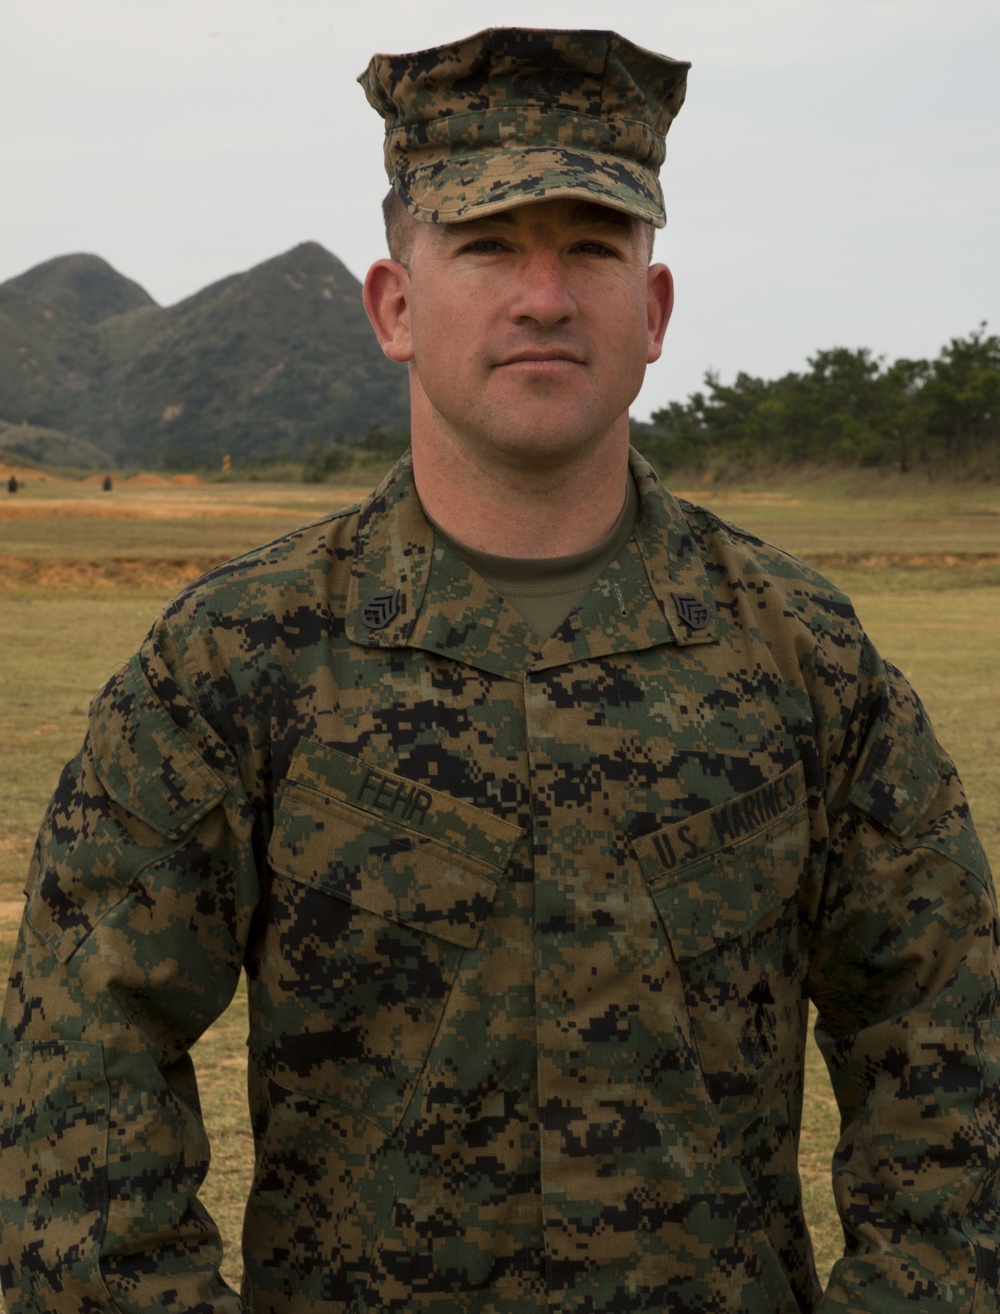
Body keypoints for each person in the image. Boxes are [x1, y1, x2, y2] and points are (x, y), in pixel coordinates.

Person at [0, 26, 997, 1314]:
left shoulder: (807, 663)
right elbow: (78, 1069)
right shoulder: (230, 662)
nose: (543, 295)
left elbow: (949, 1052)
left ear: (654, 310)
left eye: (591, 247)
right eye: (486, 245)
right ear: (395, 306)